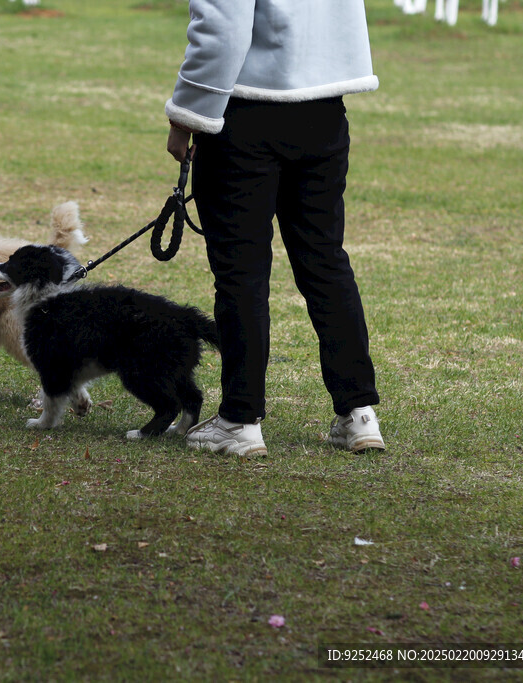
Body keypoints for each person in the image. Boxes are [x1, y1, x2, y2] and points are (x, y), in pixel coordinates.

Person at [165, 0, 385, 456]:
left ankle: (239, 420)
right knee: (325, 262)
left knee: (241, 272)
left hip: (245, 113)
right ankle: (358, 413)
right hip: (324, 108)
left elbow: (221, 26)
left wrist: (186, 113)